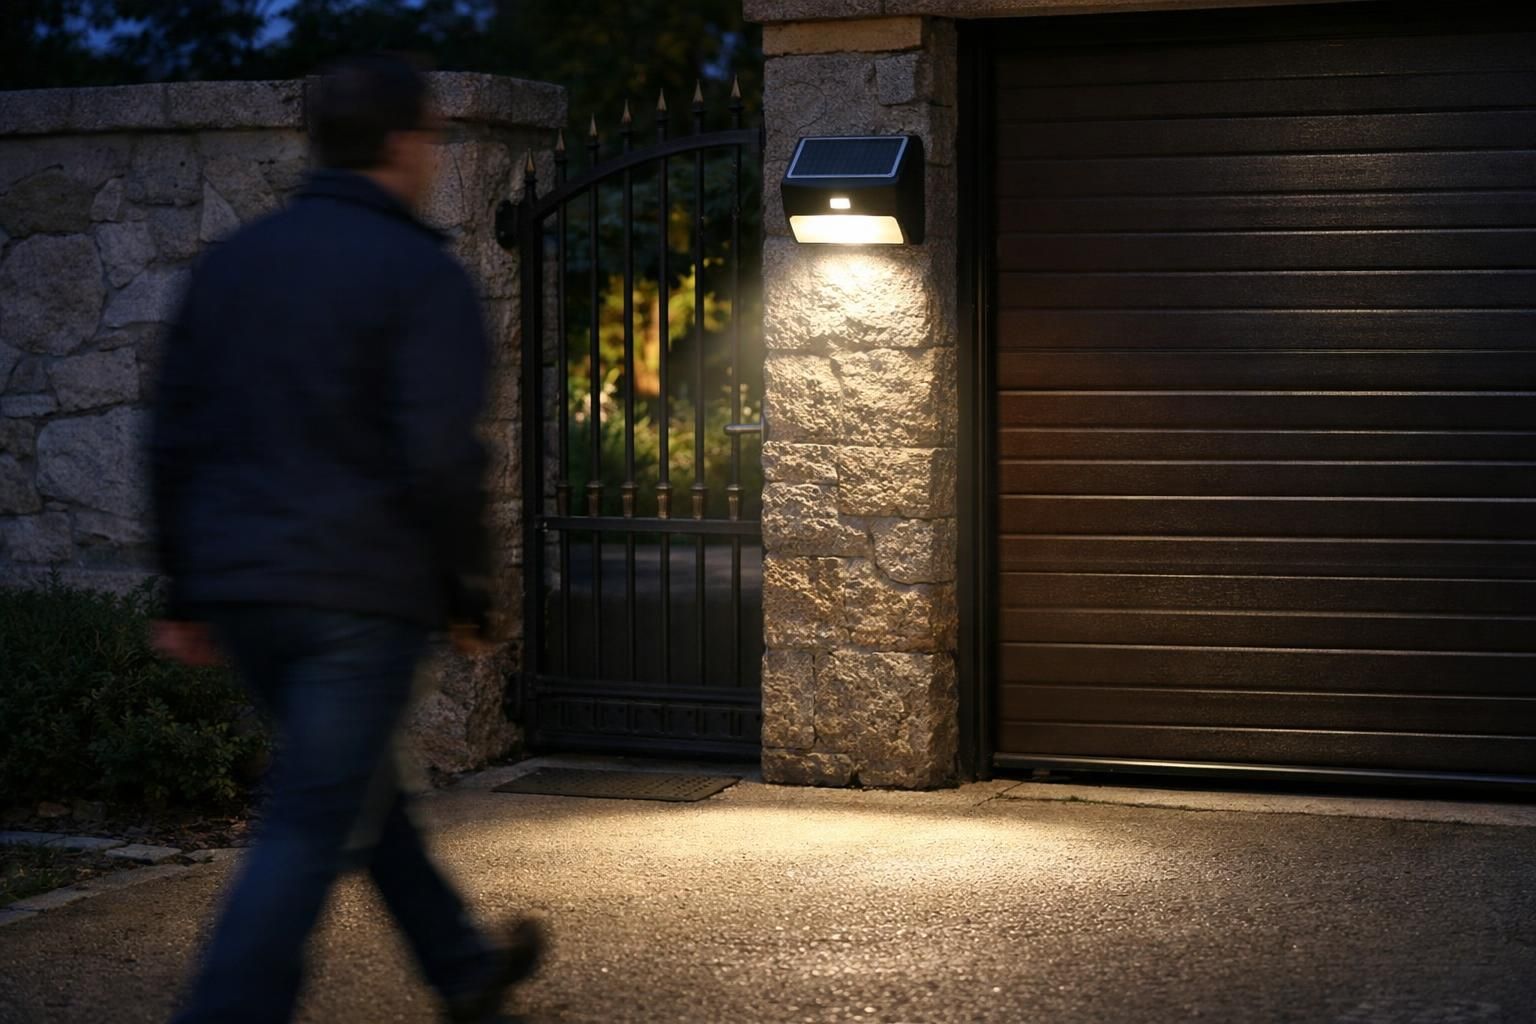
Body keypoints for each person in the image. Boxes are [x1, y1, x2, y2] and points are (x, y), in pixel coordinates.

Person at [148, 53, 543, 1024]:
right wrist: (471, 592)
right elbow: (443, 458)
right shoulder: (417, 273)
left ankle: (461, 966)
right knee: (311, 817)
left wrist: (186, 591)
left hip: (245, 593)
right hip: (359, 595)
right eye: (435, 139)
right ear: (405, 143)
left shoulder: (234, 265)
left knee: (358, 785)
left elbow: (172, 431)